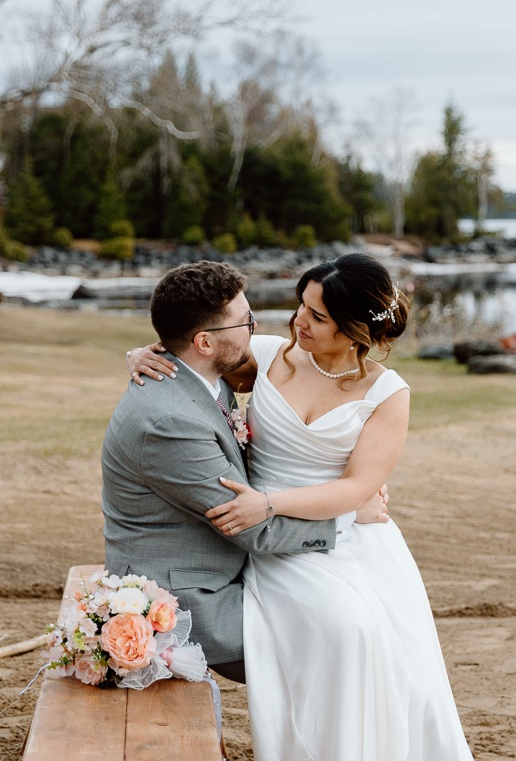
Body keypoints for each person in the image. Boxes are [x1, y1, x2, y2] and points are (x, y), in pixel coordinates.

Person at [127, 252, 516, 761]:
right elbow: (192, 350)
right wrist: (139, 355)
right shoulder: (265, 354)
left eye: (316, 316)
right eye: (299, 305)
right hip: (283, 547)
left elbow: (356, 487)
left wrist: (277, 501)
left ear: (357, 330)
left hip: (356, 540)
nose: (297, 322)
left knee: (402, 670)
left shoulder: (388, 393)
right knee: (345, 635)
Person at [102, 259, 385, 685]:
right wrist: (350, 516)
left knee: (365, 610)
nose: (255, 329)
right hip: (190, 600)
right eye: (245, 321)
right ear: (204, 342)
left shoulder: (203, 376)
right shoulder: (169, 422)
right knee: (345, 637)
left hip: (231, 562)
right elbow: (256, 530)